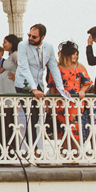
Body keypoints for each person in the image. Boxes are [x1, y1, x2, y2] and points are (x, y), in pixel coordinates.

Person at [15, 24, 63, 155]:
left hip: (39, 83)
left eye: (34, 36)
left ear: (42, 37)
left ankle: (37, 148)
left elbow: (53, 66)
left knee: (38, 118)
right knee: (30, 116)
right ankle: (31, 149)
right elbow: (24, 67)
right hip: (24, 84)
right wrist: (33, 88)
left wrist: (61, 87)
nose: (30, 38)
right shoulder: (23, 46)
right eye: (29, 35)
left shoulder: (49, 46)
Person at [49, 41, 92, 147]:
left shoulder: (79, 66)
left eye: (76, 54)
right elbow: (52, 87)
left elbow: (87, 82)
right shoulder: (56, 68)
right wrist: (50, 103)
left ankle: (75, 151)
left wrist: (82, 90)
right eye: (73, 54)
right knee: (64, 127)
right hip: (61, 102)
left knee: (74, 127)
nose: (75, 56)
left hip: (75, 102)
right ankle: (66, 150)